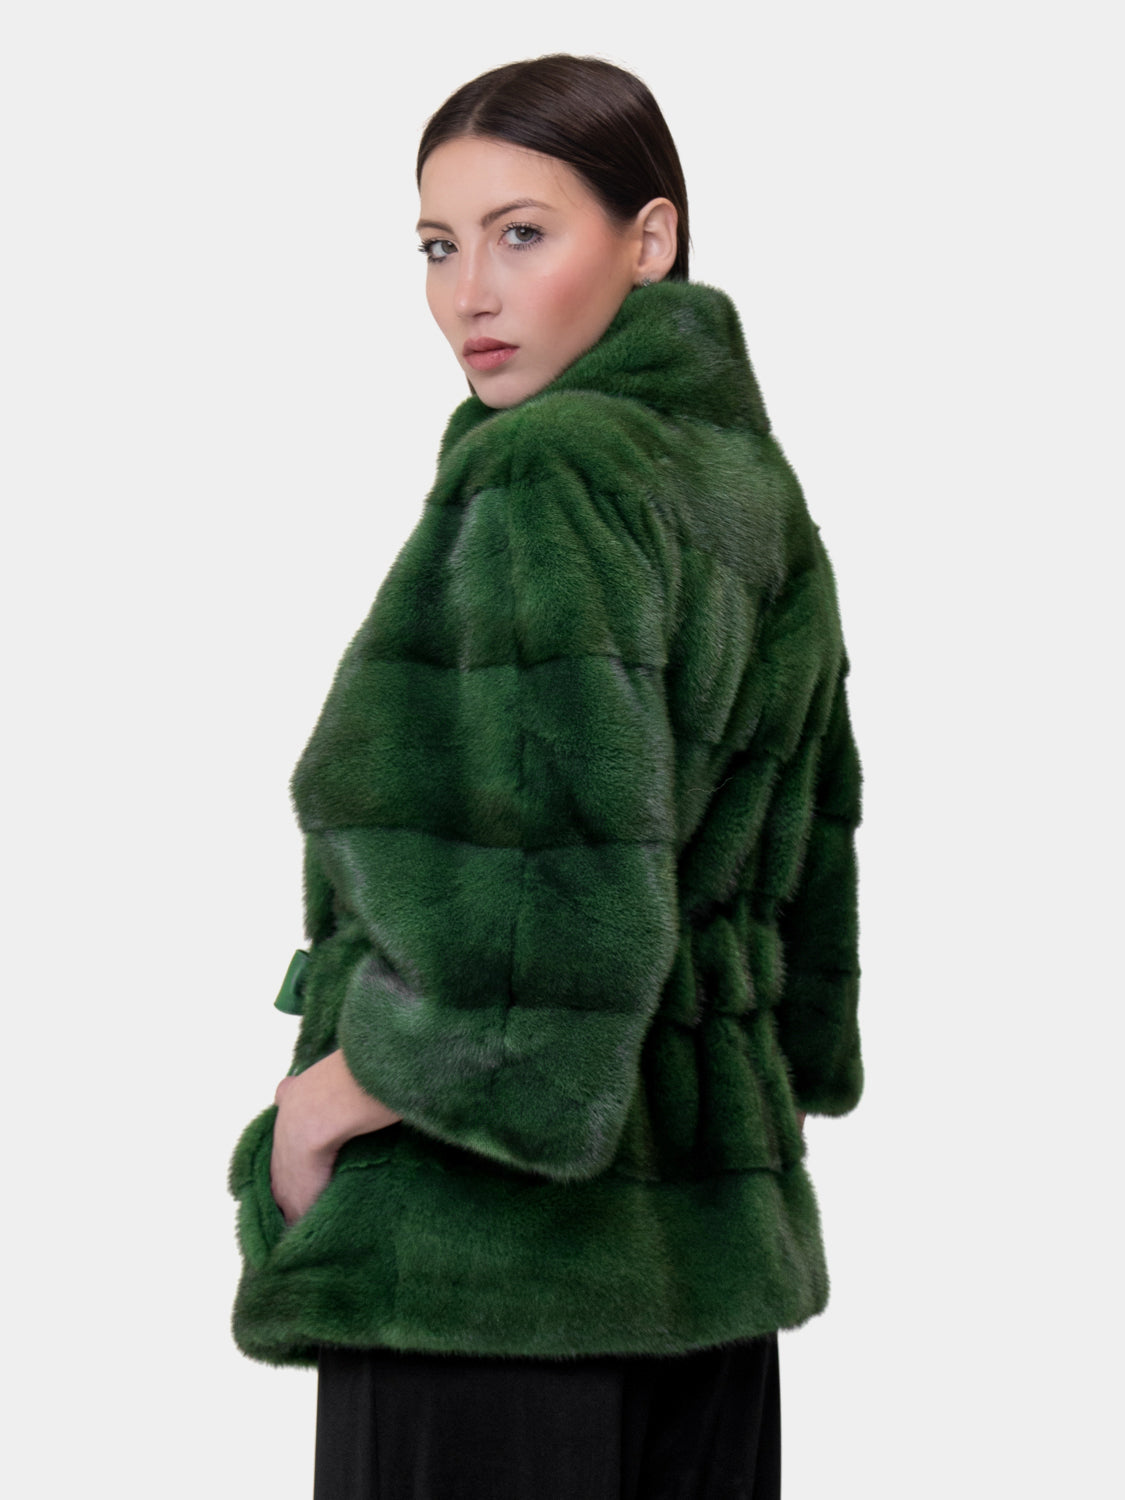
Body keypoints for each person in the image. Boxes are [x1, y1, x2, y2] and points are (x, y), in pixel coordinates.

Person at [227, 53, 864, 1500]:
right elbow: (808, 858)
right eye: (436, 247)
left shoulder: (546, 472)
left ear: (650, 238)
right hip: (705, 1264)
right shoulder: (747, 490)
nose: (471, 294)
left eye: (522, 233)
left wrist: (324, 1107)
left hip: (485, 1273)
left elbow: (542, 952)